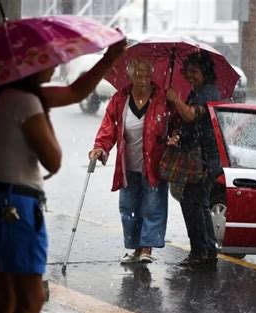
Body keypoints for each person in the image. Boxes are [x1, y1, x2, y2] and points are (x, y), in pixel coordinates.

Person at [0, 39, 126, 313]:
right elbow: (53, 160)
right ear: (30, 67)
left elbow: (75, 92)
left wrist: (108, 58)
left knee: (5, 298)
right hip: (15, 207)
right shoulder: (28, 102)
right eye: (46, 59)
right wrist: (44, 118)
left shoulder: (0, 96)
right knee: (30, 301)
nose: (55, 64)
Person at [89, 58, 169, 265]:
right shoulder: (120, 98)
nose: (143, 80)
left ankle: (147, 248)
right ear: (131, 77)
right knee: (129, 207)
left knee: (152, 206)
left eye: (147, 76)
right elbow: (108, 126)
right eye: (138, 75)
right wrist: (100, 147)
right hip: (128, 164)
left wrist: (174, 135)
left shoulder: (161, 98)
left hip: (153, 165)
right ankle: (135, 248)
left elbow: (174, 122)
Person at [165, 51, 222, 267]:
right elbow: (189, 125)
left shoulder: (208, 93)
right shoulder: (196, 92)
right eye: (188, 72)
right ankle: (204, 251)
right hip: (198, 158)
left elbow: (191, 115)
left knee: (195, 202)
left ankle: (203, 252)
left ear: (205, 72)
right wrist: (177, 136)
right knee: (195, 202)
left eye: (195, 72)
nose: (190, 76)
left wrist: (175, 99)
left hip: (206, 159)